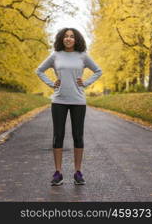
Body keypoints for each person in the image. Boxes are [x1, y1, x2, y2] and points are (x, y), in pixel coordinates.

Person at [36, 28, 102, 186]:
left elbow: (98, 71)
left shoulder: (83, 55)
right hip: (59, 100)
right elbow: (39, 70)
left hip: (78, 100)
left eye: (72, 36)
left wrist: (85, 83)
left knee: (78, 136)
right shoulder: (55, 55)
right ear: (61, 39)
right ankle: (58, 172)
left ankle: (78, 172)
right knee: (58, 136)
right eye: (66, 36)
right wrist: (52, 84)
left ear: (76, 39)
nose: (68, 38)